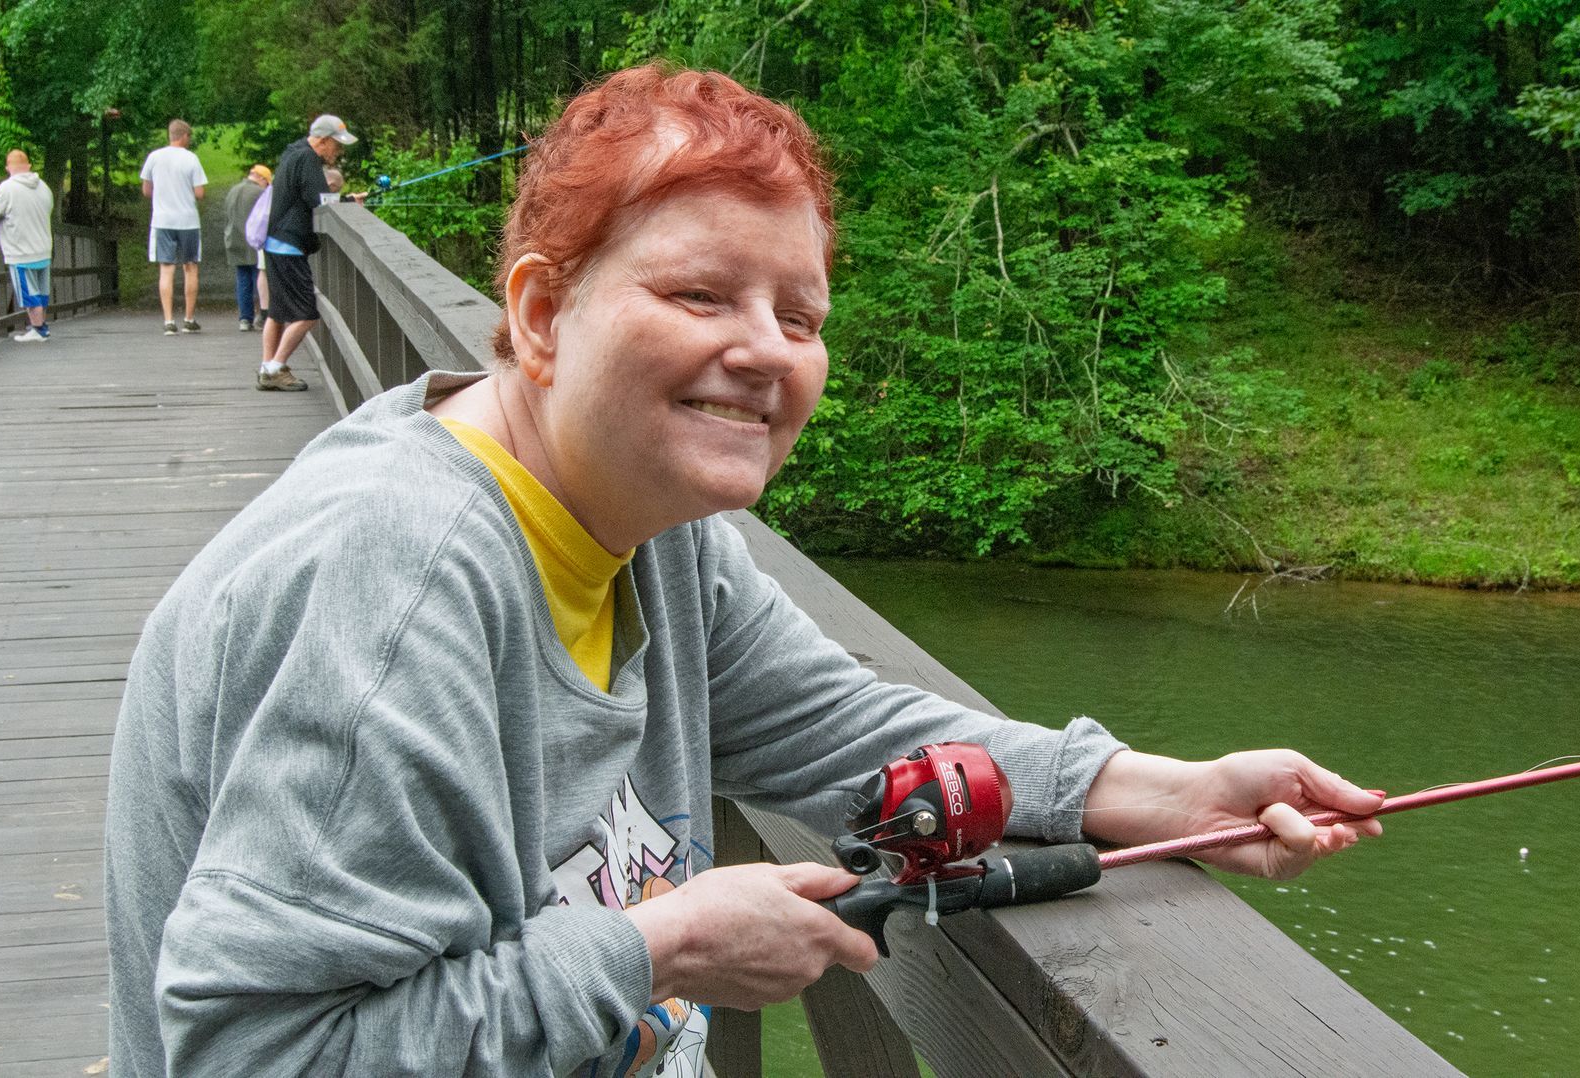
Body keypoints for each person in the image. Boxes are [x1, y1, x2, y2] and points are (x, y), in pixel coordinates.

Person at [104, 66, 1382, 1077]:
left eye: (802, 315)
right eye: (704, 293)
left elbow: (853, 729)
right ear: (543, 316)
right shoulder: (399, 584)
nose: (767, 351)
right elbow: (259, 1052)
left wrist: (1168, 789)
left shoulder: (644, 531)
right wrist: (661, 945)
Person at [254, 113, 356, 392]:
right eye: (337, 144)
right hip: (288, 246)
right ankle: (275, 368)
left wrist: (347, 200)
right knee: (307, 313)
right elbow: (320, 201)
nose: (339, 150)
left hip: (276, 243)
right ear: (323, 141)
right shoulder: (308, 159)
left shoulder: (293, 152)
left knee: (276, 312)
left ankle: (267, 367)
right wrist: (348, 201)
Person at [0, 148, 55, 343]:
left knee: (28, 293)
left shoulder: (7, 188)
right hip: (43, 248)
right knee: (41, 291)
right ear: (28, 166)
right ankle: (42, 326)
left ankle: (38, 330)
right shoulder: (43, 186)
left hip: (21, 251)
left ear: (8, 168)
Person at [140, 119, 208, 335]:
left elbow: (146, 191)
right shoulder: (191, 159)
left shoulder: (154, 157)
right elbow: (200, 193)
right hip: (187, 221)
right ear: (184, 136)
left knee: (166, 269)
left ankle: (169, 321)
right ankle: (189, 318)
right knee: (190, 268)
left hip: (162, 220)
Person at [222, 163, 269, 331]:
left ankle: (244, 319)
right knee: (259, 278)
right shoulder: (260, 193)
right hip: (253, 241)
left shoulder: (233, 190)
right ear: (262, 179)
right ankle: (262, 315)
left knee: (242, 279)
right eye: (267, 183)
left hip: (233, 240)